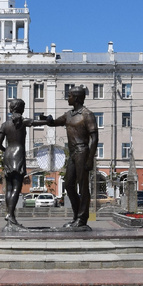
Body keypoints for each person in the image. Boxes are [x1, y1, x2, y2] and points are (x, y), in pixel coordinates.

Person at [41, 85, 99, 230]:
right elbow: (54, 122)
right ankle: (77, 216)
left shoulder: (87, 115)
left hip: (82, 151)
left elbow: (95, 138)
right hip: (72, 153)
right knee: (68, 185)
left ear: (77, 98)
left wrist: (90, 158)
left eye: (70, 95)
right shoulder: (69, 115)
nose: (68, 98)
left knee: (83, 186)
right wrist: (47, 119)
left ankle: (82, 218)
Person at [0, 98, 45, 227]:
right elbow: (36, 122)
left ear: (11, 109)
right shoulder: (23, 121)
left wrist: (6, 151)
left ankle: (9, 214)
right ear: (22, 109)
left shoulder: (5, 124)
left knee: (9, 188)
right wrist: (48, 120)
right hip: (19, 154)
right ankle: (11, 216)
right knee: (17, 187)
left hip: (8, 155)